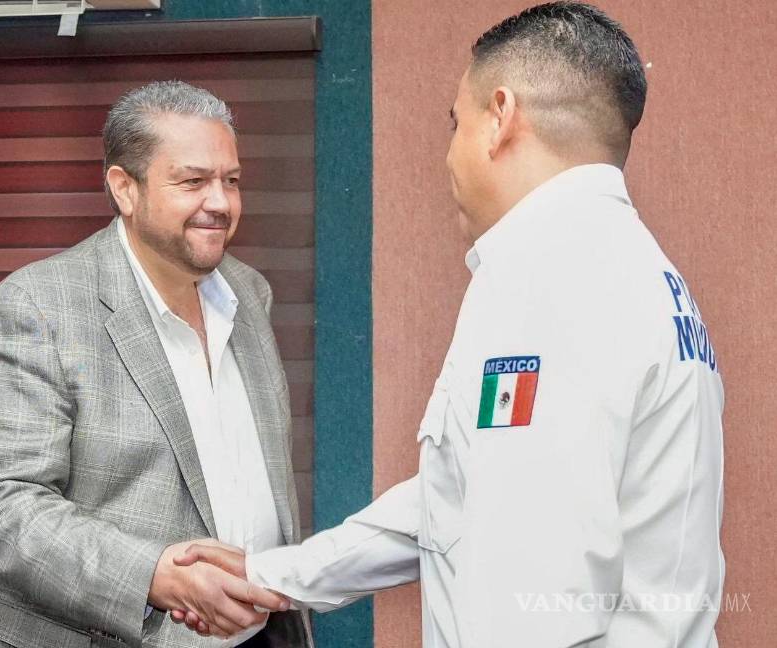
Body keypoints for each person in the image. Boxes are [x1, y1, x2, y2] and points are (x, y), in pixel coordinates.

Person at [175, 3, 725, 647]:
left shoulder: (548, 281)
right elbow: (466, 497)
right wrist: (280, 574)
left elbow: (529, 606)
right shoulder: (634, 268)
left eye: (456, 125)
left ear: (500, 116)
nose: (448, 157)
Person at [0, 81, 312, 648]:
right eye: (193, 181)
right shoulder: (37, 307)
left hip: (263, 633)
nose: (221, 202)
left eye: (231, 180)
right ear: (124, 189)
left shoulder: (249, 294)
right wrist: (156, 576)